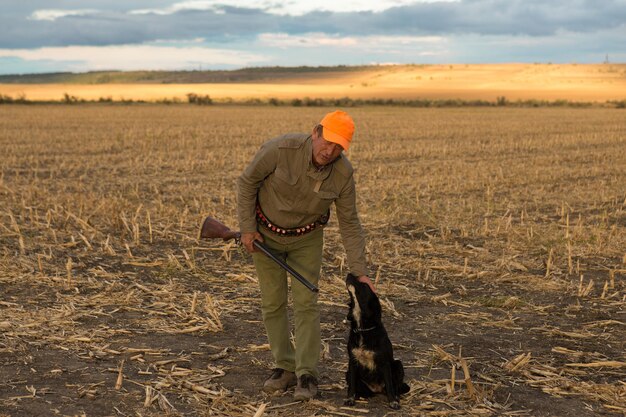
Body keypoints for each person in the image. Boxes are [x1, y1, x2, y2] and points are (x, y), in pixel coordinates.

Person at [237, 110, 375, 401]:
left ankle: (306, 373)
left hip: (306, 240)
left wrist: (360, 271)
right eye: (328, 142)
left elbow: (350, 222)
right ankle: (284, 367)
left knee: (306, 302)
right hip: (265, 236)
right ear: (316, 132)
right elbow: (247, 182)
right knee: (273, 302)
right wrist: (247, 230)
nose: (331, 151)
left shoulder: (343, 173)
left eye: (339, 147)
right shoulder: (280, 149)